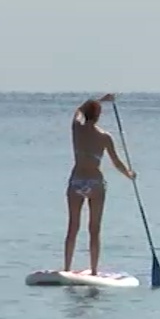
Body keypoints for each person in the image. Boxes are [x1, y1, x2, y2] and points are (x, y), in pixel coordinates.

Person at [63, 93, 136, 275]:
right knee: (94, 229)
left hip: (76, 181)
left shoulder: (76, 129)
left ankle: (66, 268)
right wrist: (129, 174)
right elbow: (116, 162)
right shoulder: (104, 137)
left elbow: (77, 111)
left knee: (73, 226)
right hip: (95, 183)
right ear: (98, 116)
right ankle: (94, 270)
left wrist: (99, 99)